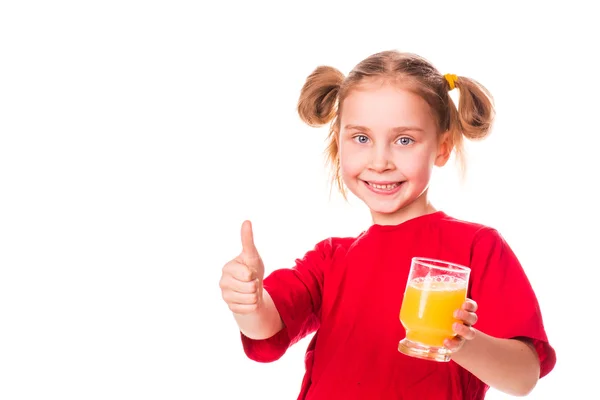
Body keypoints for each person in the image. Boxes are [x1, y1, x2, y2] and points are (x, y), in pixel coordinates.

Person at [219, 50, 556, 399]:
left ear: (442, 148)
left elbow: (523, 377)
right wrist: (250, 303)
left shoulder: (477, 246)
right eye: (361, 138)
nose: (380, 162)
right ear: (339, 143)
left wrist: (461, 343)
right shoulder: (330, 258)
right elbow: (267, 328)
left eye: (404, 140)